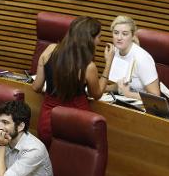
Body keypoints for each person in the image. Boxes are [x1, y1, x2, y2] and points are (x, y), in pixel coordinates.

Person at [32, 15, 114, 147]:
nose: (99, 41)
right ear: (89, 39)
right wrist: (109, 63)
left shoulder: (49, 50)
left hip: (48, 119)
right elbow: (97, 94)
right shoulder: (88, 66)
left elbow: (36, 87)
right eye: (98, 37)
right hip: (76, 120)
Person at [107, 15, 160, 99]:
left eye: (125, 34)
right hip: (122, 101)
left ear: (132, 36)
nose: (119, 38)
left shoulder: (142, 58)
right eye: (116, 33)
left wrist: (129, 94)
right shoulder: (115, 52)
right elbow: (121, 87)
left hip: (141, 108)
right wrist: (103, 88)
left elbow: (156, 97)